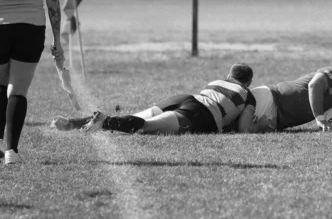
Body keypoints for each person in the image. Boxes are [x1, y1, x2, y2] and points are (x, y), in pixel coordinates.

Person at [0, 0, 63, 164]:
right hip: (31, 27)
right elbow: (53, 2)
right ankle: (11, 152)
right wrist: (57, 40)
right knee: (18, 89)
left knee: (1, 84)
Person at [51, 63, 269, 134]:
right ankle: (105, 121)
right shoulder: (247, 95)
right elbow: (244, 127)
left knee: (136, 117)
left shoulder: (216, 81)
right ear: (248, 82)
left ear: (229, 76)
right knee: (146, 126)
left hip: (184, 98)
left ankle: (72, 123)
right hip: (200, 113)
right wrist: (263, 125)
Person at [250, 67, 332, 132]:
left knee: (234, 129)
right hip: (271, 99)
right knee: (232, 116)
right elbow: (314, 85)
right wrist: (319, 118)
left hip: (275, 122)